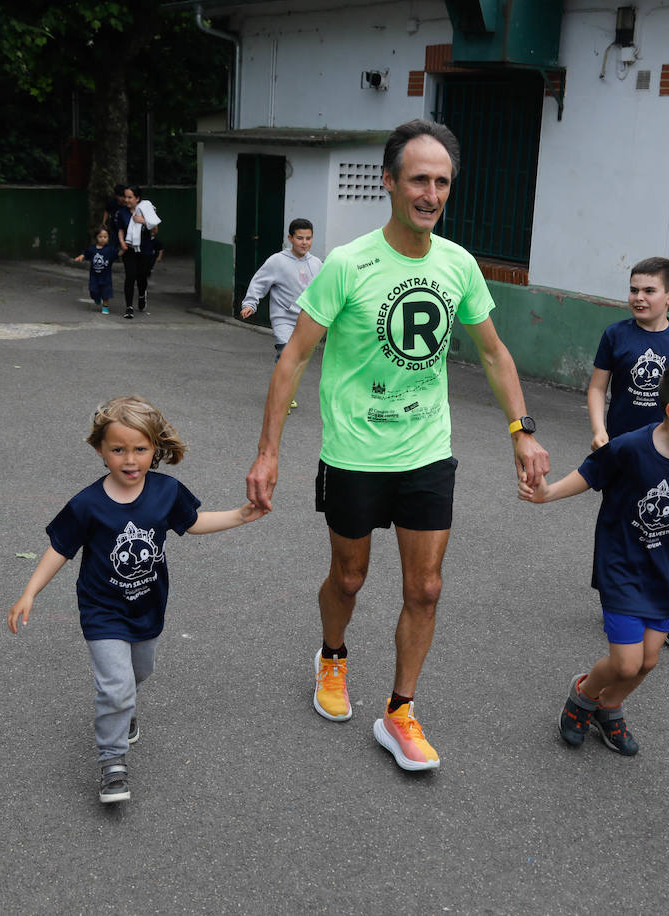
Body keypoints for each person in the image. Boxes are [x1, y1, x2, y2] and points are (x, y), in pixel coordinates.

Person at [245, 119, 550, 772]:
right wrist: (268, 451)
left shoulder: (458, 264)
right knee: (350, 577)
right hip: (354, 453)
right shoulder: (348, 266)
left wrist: (522, 433)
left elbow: (493, 354)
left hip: (426, 452)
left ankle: (400, 712)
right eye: (419, 179)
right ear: (389, 182)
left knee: (427, 588)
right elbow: (293, 358)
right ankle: (332, 658)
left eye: (442, 182)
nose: (431, 193)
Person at [7, 396, 265, 803]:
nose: (130, 459)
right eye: (118, 449)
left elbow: (193, 523)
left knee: (138, 673)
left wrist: (240, 514)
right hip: (102, 610)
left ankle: (123, 706)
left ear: (155, 449)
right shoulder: (87, 504)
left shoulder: (167, 492)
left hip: (147, 606)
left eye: (140, 449)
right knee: (115, 685)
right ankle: (112, 764)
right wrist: (29, 592)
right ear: (100, 451)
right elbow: (60, 548)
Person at [520, 359, 669, 757]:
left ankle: (610, 708)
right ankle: (583, 695)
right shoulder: (631, 448)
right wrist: (547, 493)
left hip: (667, 576)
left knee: (648, 661)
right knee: (625, 663)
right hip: (621, 568)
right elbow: (590, 474)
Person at [587, 256, 669, 652]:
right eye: (634, 290)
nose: (639, 297)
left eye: (648, 291)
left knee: (665, 529)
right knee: (619, 523)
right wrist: (600, 431)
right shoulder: (615, 335)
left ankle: (666, 609)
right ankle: (617, 599)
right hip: (622, 451)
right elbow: (597, 389)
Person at [239, 218, 323, 411]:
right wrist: (251, 303)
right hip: (284, 318)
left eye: (308, 238)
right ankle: (281, 397)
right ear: (290, 238)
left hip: (306, 321)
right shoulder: (277, 261)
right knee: (286, 355)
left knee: (298, 360)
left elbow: (323, 291)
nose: (304, 242)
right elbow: (260, 282)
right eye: (300, 238)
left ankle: (287, 392)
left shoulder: (317, 263)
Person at [119, 186, 160, 320]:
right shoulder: (122, 213)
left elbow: (155, 230)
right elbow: (120, 229)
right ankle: (129, 307)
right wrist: (122, 243)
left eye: (130, 197)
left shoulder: (146, 210)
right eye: (125, 197)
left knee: (141, 276)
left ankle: (142, 294)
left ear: (137, 198)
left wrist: (143, 221)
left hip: (145, 249)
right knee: (130, 276)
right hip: (129, 249)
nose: (127, 200)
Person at [73, 226, 119, 315]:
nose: (103, 239)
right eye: (100, 237)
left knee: (106, 292)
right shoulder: (92, 249)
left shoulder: (110, 249)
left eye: (105, 237)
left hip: (106, 276)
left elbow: (117, 254)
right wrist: (81, 256)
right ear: (96, 238)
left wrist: (123, 250)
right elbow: (86, 253)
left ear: (108, 238)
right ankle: (97, 298)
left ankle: (105, 307)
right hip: (94, 276)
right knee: (93, 291)